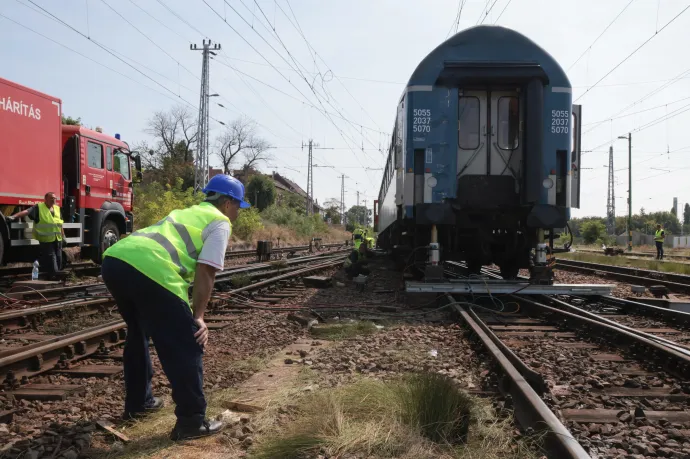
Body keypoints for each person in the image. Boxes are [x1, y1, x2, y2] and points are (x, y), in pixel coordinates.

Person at [100, 174, 249, 441]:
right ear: (227, 203)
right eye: (238, 205)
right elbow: (206, 272)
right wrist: (199, 317)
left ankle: (138, 405)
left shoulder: (187, 212)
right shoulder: (220, 222)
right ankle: (192, 422)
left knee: (138, 334)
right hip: (152, 269)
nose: (238, 212)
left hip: (116, 260)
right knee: (188, 342)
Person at [8, 192, 64, 279]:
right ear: (45, 199)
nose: (53, 200)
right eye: (51, 198)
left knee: (59, 258)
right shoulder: (39, 207)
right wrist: (14, 216)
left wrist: (64, 237)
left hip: (58, 238)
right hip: (46, 239)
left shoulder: (57, 208)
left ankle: (56, 275)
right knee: (51, 258)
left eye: (54, 198)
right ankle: (55, 277)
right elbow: (26, 212)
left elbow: (60, 223)